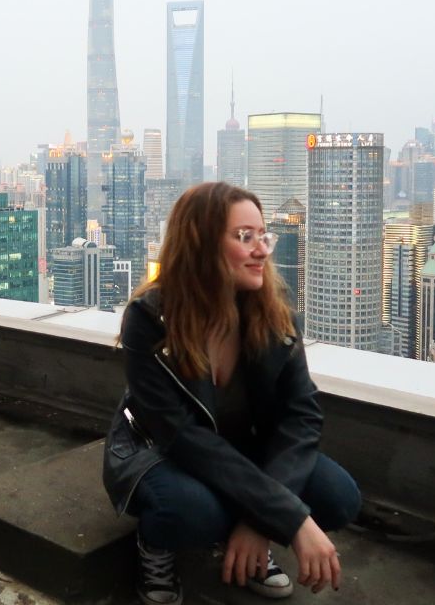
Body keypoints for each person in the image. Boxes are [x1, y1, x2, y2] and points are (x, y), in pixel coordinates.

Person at [103, 182, 362, 604]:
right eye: (245, 237)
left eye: (264, 235)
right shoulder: (150, 318)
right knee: (191, 511)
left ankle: (247, 546)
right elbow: (181, 436)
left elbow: (303, 415)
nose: (262, 249)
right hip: (157, 451)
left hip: (244, 448)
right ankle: (156, 547)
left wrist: (260, 522)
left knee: (339, 496)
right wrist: (290, 518)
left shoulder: (274, 311)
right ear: (201, 244)